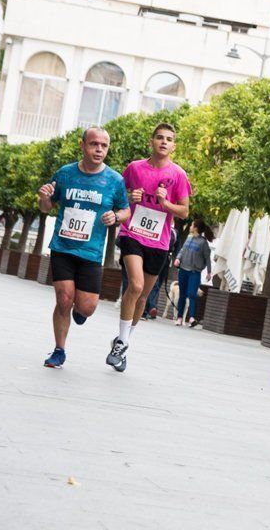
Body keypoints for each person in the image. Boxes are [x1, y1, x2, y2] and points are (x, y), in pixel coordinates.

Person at [38, 127, 130, 368]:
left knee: (86, 307)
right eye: (94, 144)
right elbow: (46, 207)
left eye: (104, 146)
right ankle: (59, 350)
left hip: (91, 252)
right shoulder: (66, 174)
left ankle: (80, 312)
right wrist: (45, 198)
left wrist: (116, 217)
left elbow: (125, 209)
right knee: (63, 298)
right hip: (63, 246)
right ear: (83, 145)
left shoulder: (114, 180)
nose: (99, 149)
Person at [108, 123, 191, 372]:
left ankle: (123, 341)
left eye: (169, 139)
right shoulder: (135, 168)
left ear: (174, 145)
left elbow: (185, 212)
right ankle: (121, 342)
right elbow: (116, 195)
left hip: (160, 240)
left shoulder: (178, 175)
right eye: (159, 138)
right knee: (135, 285)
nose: (164, 142)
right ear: (151, 141)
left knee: (143, 296)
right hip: (132, 233)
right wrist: (130, 198)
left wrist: (166, 203)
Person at [173, 219, 213, 328]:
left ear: (195, 228)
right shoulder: (189, 238)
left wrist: (209, 272)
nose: (190, 226)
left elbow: (207, 258)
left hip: (194, 272)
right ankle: (180, 318)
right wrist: (177, 258)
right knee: (182, 295)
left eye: (191, 225)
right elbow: (182, 250)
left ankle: (191, 318)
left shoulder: (203, 242)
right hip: (183, 270)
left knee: (191, 294)